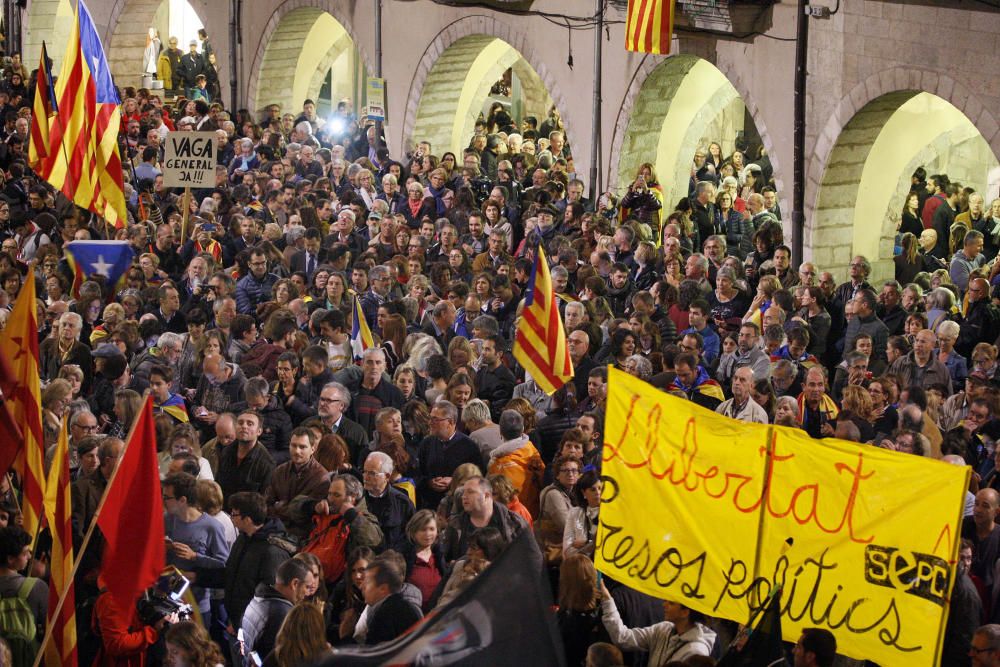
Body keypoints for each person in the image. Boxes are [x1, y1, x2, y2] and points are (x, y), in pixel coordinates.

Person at [598, 578, 716, 662]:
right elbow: (623, 638)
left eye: (671, 603)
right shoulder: (663, 630)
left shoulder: (696, 651)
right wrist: (608, 600)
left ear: (685, 612)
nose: (664, 605)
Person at [240, 558, 317, 662]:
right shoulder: (283, 614)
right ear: (295, 584)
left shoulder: (257, 600)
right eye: (307, 587)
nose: (308, 593)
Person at [359, 556, 424, 645]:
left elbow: (372, 656)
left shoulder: (385, 614)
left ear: (383, 588)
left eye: (367, 583)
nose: (361, 587)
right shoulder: (407, 607)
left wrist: (344, 637)